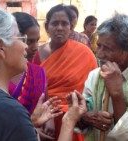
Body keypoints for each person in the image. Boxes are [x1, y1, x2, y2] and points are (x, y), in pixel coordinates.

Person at [0, 6, 87, 141]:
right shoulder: (7, 110)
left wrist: (29, 124)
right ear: (0, 46)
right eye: (21, 38)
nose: (26, 46)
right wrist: (69, 121)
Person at [33, 4, 97, 141]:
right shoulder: (35, 54)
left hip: (74, 120)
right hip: (43, 119)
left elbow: (92, 90)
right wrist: (37, 123)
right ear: (47, 27)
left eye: (65, 24)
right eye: (55, 23)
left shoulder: (84, 53)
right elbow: (32, 91)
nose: (60, 28)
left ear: (71, 27)